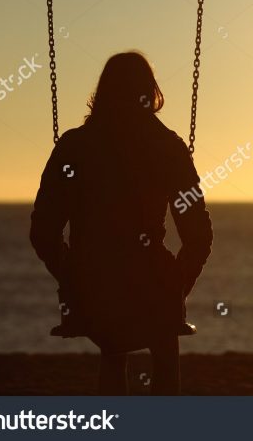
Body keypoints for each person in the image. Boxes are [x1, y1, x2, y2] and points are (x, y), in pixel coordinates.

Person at [30, 51, 213, 395]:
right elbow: (198, 234)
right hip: (151, 285)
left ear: (103, 92)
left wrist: (71, 275)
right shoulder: (166, 148)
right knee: (163, 340)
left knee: (113, 348)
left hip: (93, 284)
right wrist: (177, 283)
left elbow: (43, 230)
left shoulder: (75, 146)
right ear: (150, 92)